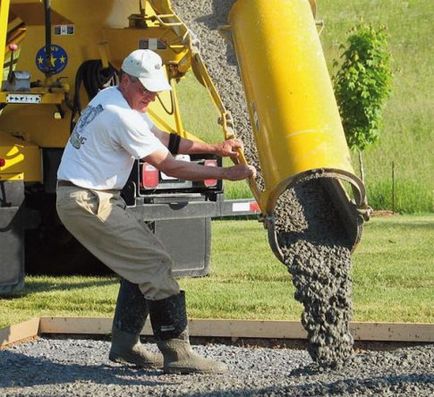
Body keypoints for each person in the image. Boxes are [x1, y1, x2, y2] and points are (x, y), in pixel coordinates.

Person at [56, 49, 256, 374]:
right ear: (126, 79)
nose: (150, 95)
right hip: (88, 201)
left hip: (88, 197)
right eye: (144, 88)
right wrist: (226, 173)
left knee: (143, 263)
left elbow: (162, 138)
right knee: (154, 264)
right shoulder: (120, 116)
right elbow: (170, 166)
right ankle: (178, 356)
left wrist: (214, 148)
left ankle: (125, 346)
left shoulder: (113, 98)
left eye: (154, 89)